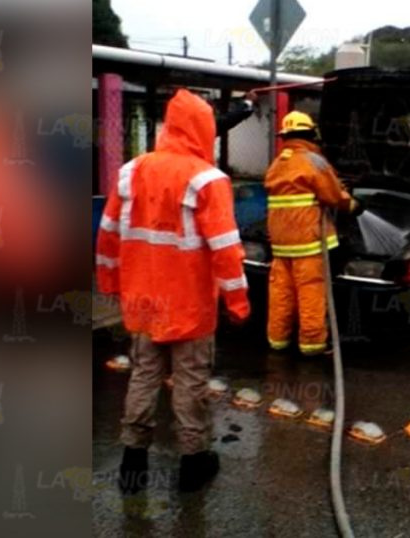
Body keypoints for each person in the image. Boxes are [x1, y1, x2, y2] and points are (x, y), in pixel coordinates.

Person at [96, 89, 250, 493]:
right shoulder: (207, 180)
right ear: (201, 130)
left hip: (143, 303)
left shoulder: (132, 171)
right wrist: (238, 301)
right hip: (190, 307)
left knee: (144, 376)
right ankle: (194, 462)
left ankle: (133, 464)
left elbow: (108, 234)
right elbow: (226, 249)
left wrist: (110, 282)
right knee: (190, 383)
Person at [264, 111, 362, 356]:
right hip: (308, 243)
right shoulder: (314, 161)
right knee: (310, 292)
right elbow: (333, 196)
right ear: (311, 134)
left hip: (281, 244)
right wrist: (354, 205)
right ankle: (312, 345)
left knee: (281, 294)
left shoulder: (278, 163)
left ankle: (278, 342)